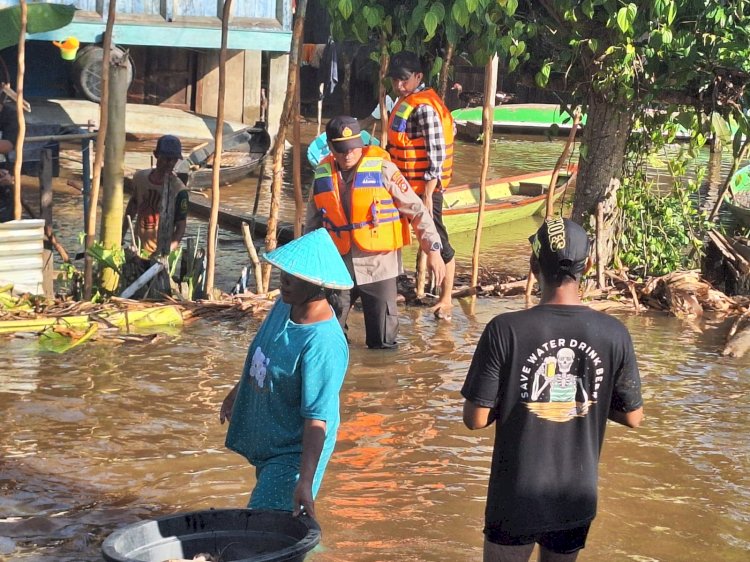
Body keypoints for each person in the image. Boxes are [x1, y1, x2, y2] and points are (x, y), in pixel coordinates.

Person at [461, 217, 644, 562]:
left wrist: (518, 396)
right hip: (575, 496)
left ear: (533, 265)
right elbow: (634, 417)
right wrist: (590, 396)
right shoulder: (614, 332)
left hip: (515, 494)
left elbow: (475, 418)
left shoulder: (505, 329)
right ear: (587, 265)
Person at [220, 228, 352, 517]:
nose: (285, 280)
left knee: (262, 522)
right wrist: (236, 392)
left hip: (294, 450)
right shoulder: (284, 305)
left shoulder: (323, 344)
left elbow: (318, 419)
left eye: (296, 277)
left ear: (319, 286)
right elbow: (262, 355)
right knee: (279, 521)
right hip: (272, 433)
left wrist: (304, 482)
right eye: (286, 272)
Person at [306, 115, 446, 349]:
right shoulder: (322, 175)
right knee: (329, 334)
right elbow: (312, 223)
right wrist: (308, 266)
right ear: (330, 148)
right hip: (338, 266)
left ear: (361, 144)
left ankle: (382, 382)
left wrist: (433, 250)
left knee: (383, 340)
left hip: (379, 266)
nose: (348, 154)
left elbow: (417, 210)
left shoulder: (383, 169)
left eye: (352, 148)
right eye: (341, 149)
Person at [386, 51, 456, 319]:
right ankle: (395, 284)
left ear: (418, 77)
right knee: (392, 232)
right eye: (395, 80)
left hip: (424, 188)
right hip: (402, 184)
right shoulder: (405, 102)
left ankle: (446, 298)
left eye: (404, 80)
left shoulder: (425, 107)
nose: (399, 85)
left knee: (438, 239)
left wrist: (428, 194)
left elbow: (436, 155)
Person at [123, 134, 188, 256]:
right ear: (156, 155)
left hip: (160, 252)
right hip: (138, 248)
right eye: (166, 158)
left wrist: (165, 251)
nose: (170, 163)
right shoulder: (140, 178)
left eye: (174, 159)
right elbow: (132, 208)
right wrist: (121, 235)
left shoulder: (179, 190)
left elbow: (180, 227)